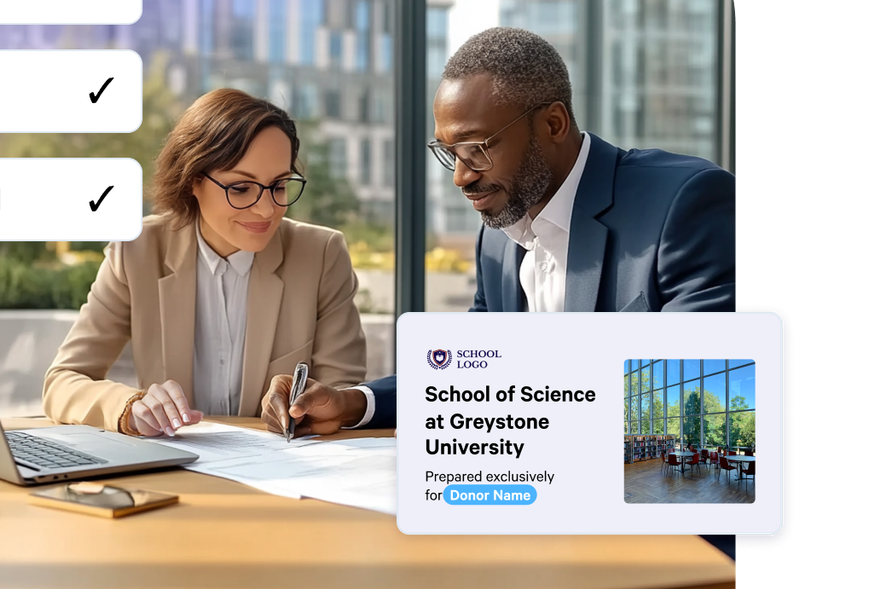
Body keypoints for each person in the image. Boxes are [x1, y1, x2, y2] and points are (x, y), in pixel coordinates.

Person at [262, 26, 735, 434]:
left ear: (553, 123)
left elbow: (691, 394)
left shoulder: (684, 204)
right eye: (450, 153)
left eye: (476, 149)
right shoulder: (500, 235)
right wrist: (352, 403)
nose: (460, 177)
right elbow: (475, 371)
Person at [43, 88, 367, 437]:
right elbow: (63, 382)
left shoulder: (321, 255)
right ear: (193, 181)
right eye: (241, 188)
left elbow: (342, 395)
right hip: (176, 469)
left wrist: (316, 410)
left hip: (285, 471)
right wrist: (131, 407)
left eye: (279, 185)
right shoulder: (136, 252)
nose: (266, 209)